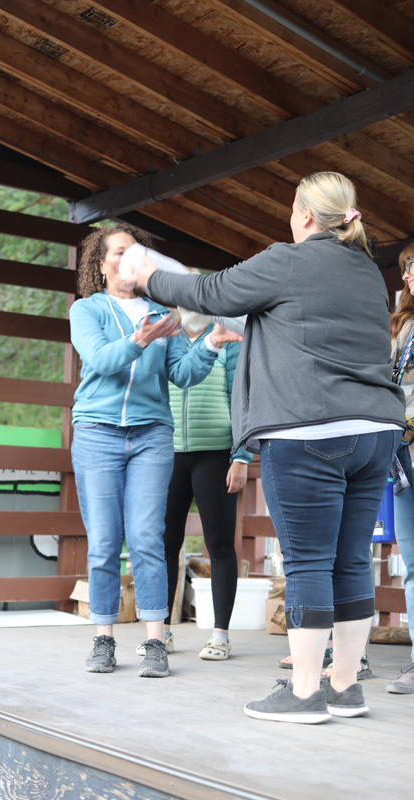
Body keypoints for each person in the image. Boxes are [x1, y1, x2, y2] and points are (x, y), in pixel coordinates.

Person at [129, 171, 405, 721]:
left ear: (305, 214)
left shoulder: (287, 260)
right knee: (351, 559)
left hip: (308, 432)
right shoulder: (367, 271)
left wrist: (148, 276)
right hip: (376, 432)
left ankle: (303, 693)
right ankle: (344, 686)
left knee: (308, 562)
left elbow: (209, 292)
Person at [69, 223, 238, 679]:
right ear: (101, 265)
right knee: (105, 542)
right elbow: (101, 360)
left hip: (151, 437)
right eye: (119, 253)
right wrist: (140, 339)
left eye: (135, 253)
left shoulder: (164, 314)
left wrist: (210, 344)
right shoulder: (87, 310)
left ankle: (155, 640)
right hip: (98, 434)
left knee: (147, 538)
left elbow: (182, 373)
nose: (128, 260)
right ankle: (104, 638)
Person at [136, 302, 252, 661]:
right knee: (164, 544)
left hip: (216, 454)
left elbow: (242, 397)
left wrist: (242, 456)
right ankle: (161, 633)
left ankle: (220, 635)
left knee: (219, 545)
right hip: (165, 453)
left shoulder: (226, 338)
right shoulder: (166, 338)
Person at [386, 243, 414, 694]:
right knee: (411, 563)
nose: (407, 274)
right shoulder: (401, 325)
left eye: (413, 266)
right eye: (406, 268)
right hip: (402, 453)